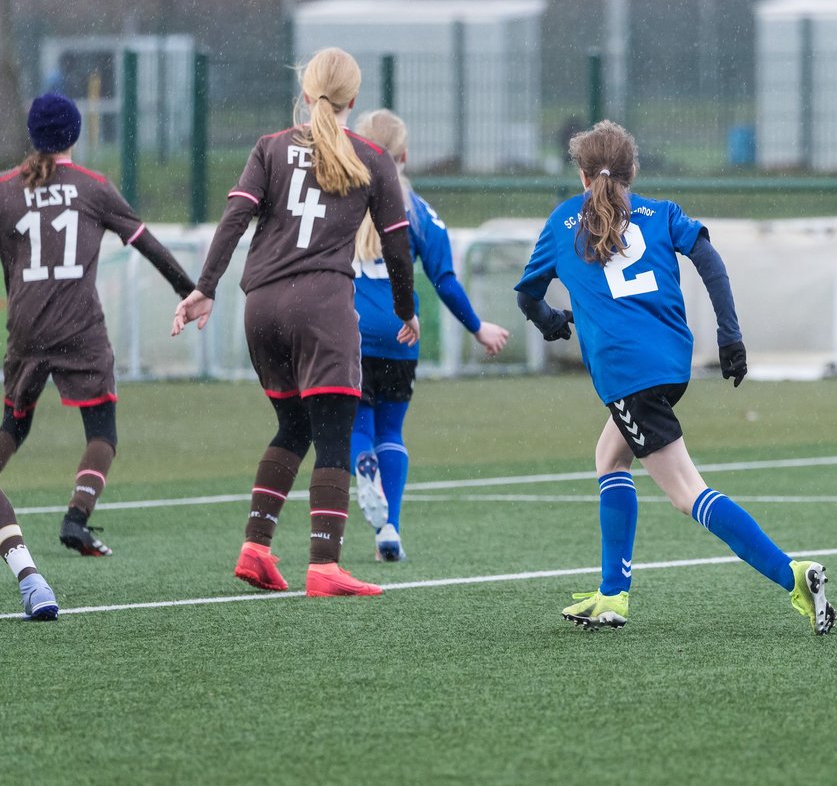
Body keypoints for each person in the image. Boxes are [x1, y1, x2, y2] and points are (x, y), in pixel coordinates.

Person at [514, 120, 835, 635]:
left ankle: (794, 574)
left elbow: (526, 296)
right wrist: (730, 336)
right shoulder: (662, 213)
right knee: (609, 457)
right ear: (633, 171)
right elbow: (709, 259)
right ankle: (612, 595)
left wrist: (552, 323)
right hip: (670, 364)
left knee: (687, 493)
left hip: (626, 372)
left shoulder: (561, 222)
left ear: (580, 174)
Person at [172, 48, 419, 597]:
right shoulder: (372, 157)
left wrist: (204, 288)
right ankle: (325, 565)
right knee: (333, 435)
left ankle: (256, 549)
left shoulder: (270, 146)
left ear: (306, 95)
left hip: (261, 307)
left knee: (294, 426)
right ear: (354, 99)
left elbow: (235, 219)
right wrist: (406, 310)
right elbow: (397, 252)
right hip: (322, 306)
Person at [0, 92, 195, 571]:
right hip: (79, 326)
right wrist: (191, 291)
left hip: (25, 323)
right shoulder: (94, 187)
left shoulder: (5, 189)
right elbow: (149, 246)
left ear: (32, 135)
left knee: (14, 424)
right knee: (102, 429)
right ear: (76, 135)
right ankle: (76, 517)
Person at [348, 109, 510, 562]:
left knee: (355, 423)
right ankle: (390, 529)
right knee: (392, 430)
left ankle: (364, 470)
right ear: (404, 155)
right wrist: (479, 328)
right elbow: (445, 280)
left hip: (349, 331)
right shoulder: (419, 213)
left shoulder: (338, 204)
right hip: (401, 333)